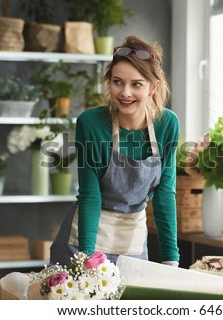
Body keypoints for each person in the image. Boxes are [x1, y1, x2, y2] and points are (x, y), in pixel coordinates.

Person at [50, 35, 180, 267]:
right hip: (84, 240)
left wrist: (171, 259)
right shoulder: (90, 123)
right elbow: (90, 194)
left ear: (153, 87)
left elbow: (164, 194)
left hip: (131, 243)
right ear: (108, 81)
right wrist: (85, 259)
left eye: (136, 84)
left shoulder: (167, 124)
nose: (125, 93)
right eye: (117, 82)